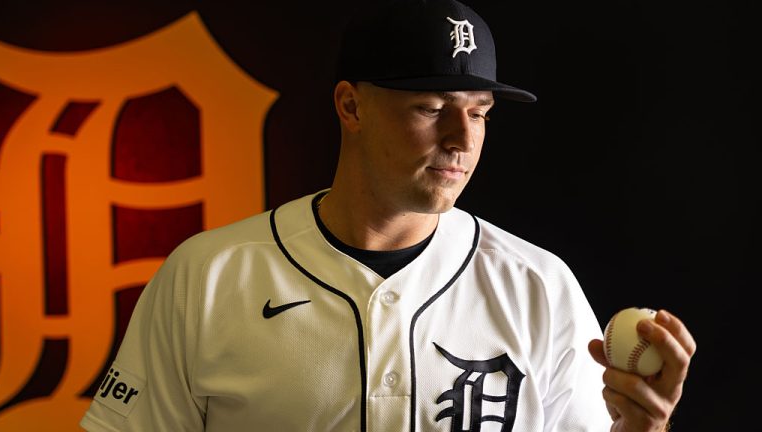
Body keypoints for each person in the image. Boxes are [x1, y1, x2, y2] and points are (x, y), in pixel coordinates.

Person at [80, 0, 696, 431]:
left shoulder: (538, 286)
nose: (462, 138)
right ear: (350, 105)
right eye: (431, 107)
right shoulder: (207, 276)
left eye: (479, 111)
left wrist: (644, 430)